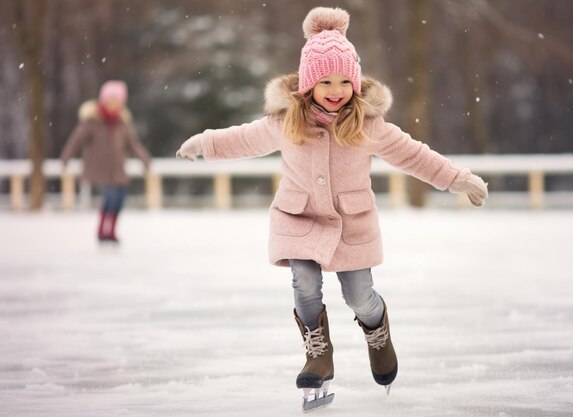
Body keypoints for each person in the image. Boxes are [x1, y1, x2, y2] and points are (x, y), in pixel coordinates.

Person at [176, 7, 487, 410]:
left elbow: (414, 155)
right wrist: (205, 143)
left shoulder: (367, 124)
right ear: (308, 84)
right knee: (304, 284)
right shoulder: (286, 121)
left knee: (359, 296)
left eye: (344, 80)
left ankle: (376, 329)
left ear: (355, 83)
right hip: (298, 218)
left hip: (351, 224)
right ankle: (317, 352)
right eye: (326, 81)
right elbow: (243, 139)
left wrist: (456, 178)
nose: (336, 89)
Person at [61, 80, 151, 244]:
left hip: (117, 169)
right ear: (103, 100)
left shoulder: (123, 123)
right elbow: (76, 141)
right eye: (110, 100)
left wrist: (144, 159)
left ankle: (111, 231)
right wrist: (66, 157)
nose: (113, 104)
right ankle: (102, 230)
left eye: (117, 101)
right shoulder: (92, 121)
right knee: (110, 197)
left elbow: (133, 145)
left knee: (120, 198)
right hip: (99, 169)